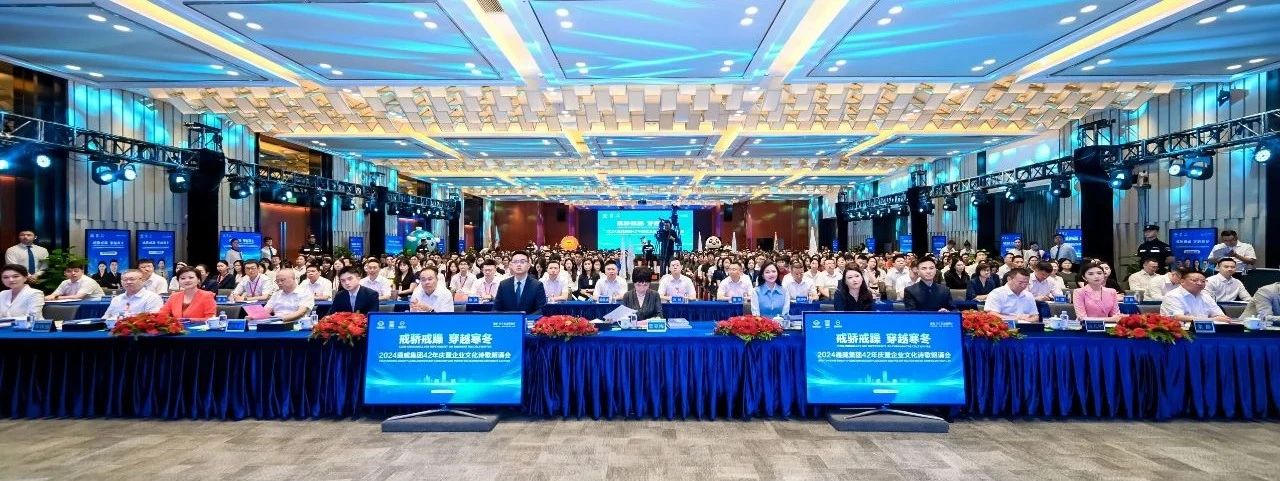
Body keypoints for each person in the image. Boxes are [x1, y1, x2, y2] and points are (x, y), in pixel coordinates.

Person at [1160, 268, 1231, 322]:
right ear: (1182, 282)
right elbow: (1178, 317)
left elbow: (1220, 315)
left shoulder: (1206, 295)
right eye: (1195, 280)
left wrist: (1222, 318)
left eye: (1203, 281)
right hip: (1181, 331)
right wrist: (1212, 320)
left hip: (1205, 330)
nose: (1200, 283)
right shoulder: (1172, 295)